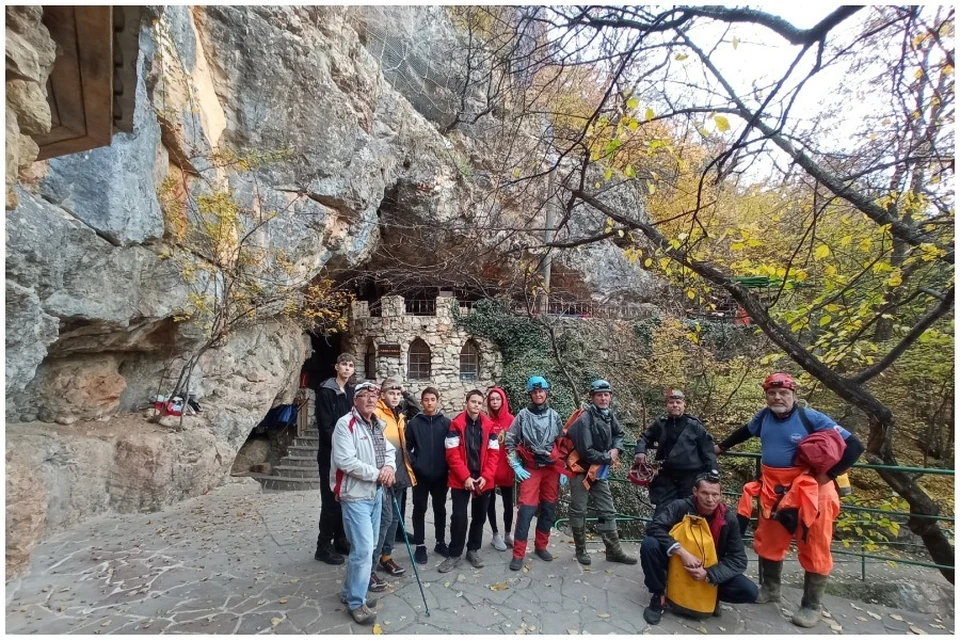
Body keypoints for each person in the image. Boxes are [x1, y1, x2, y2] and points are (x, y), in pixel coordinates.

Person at [715, 373, 864, 627]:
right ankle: (770, 589)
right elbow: (745, 432)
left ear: (793, 394)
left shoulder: (811, 417)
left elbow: (854, 446)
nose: (777, 397)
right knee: (769, 539)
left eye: (783, 393)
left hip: (811, 490)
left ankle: (811, 606)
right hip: (773, 488)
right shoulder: (764, 416)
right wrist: (721, 447)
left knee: (815, 543)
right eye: (772, 393)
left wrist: (829, 475)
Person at [640, 472, 759, 625]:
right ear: (695, 492)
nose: (710, 500)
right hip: (677, 562)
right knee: (649, 544)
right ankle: (658, 595)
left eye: (715, 494)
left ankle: (712, 596)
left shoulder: (728, 519)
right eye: (705, 493)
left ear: (721, 495)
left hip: (709, 567)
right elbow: (654, 527)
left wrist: (709, 574)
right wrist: (681, 551)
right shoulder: (680, 506)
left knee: (749, 591)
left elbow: (738, 559)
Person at [330, 380, 396, 626]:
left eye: (374, 395)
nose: (370, 399)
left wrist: (389, 467)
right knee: (364, 549)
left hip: (376, 493)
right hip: (355, 495)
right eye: (365, 395)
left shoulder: (377, 424)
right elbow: (345, 461)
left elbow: (389, 451)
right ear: (355, 399)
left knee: (365, 547)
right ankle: (357, 603)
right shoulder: (344, 424)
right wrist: (378, 474)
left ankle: (349, 593)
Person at [566, 380, 637, 565]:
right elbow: (586, 451)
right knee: (579, 508)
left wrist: (616, 450)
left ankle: (613, 550)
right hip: (581, 468)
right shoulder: (585, 420)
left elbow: (619, 434)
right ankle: (581, 550)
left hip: (598, 468)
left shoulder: (608, 415)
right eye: (599, 395)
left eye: (606, 395)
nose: (604, 398)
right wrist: (608, 457)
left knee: (607, 509)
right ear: (592, 397)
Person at [504, 376, 565, 571]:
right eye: (535, 391)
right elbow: (510, 442)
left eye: (541, 391)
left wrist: (563, 468)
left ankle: (541, 546)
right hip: (530, 469)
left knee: (548, 509)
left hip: (551, 469)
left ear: (546, 392)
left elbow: (561, 444)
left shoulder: (554, 416)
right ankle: (518, 553)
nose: (538, 394)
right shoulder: (521, 416)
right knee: (526, 512)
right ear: (530, 394)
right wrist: (516, 466)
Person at [438, 389, 500, 573]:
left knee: (479, 517)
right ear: (467, 403)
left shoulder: (490, 426)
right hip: (461, 480)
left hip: (483, 480)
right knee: (459, 517)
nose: (476, 405)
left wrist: (487, 476)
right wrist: (465, 477)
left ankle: (473, 550)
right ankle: (455, 553)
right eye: (473, 402)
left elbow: (494, 454)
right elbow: (452, 454)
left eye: (479, 403)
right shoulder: (455, 425)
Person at [634, 389, 718, 515]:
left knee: (689, 512)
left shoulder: (695, 426)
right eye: (671, 402)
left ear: (684, 405)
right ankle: (660, 534)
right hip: (667, 477)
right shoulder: (660, 424)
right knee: (663, 512)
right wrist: (641, 451)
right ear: (667, 405)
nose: (675, 405)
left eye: (678, 402)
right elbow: (645, 437)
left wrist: (713, 474)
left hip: (690, 478)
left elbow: (708, 452)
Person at [370, 377, 416, 591]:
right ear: (382, 394)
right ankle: (369, 567)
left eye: (398, 394)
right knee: (383, 520)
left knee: (395, 520)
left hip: (399, 473)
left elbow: (416, 411)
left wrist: (406, 393)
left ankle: (386, 557)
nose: (396, 397)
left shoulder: (399, 414)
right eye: (392, 393)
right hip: (383, 476)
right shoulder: (377, 413)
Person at [314, 354, 355, 564]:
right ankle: (323, 545)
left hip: (347, 454)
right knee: (330, 500)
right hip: (330, 454)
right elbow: (325, 425)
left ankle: (340, 539)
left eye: (350, 365)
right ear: (337, 366)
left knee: (344, 497)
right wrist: (343, 447)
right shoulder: (326, 391)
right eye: (344, 365)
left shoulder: (351, 392)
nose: (347, 369)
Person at [405, 387, 451, 564]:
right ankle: (420, 545)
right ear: (422, 401)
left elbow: (453, 447)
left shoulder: (446, 423)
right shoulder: (414, 423)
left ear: (437, 401)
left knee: (440, 509)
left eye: (432, 399)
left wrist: (447, 467)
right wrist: (416, 463)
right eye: (426, 399)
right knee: (420, 509)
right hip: (421, 475)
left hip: (441, 475)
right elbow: (407, 447)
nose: (429, 402)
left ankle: (440, 542)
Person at [485, 387, 516, 551]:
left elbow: (516, 442)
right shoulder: (486, 420)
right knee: (489, 501)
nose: (495, 402)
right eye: (492, 399)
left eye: (498, 399)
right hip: (490, 467)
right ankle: (495, 535)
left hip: (506, 466)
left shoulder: (511, 419)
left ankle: (507, 534)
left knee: (508, 503)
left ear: (503, 400)